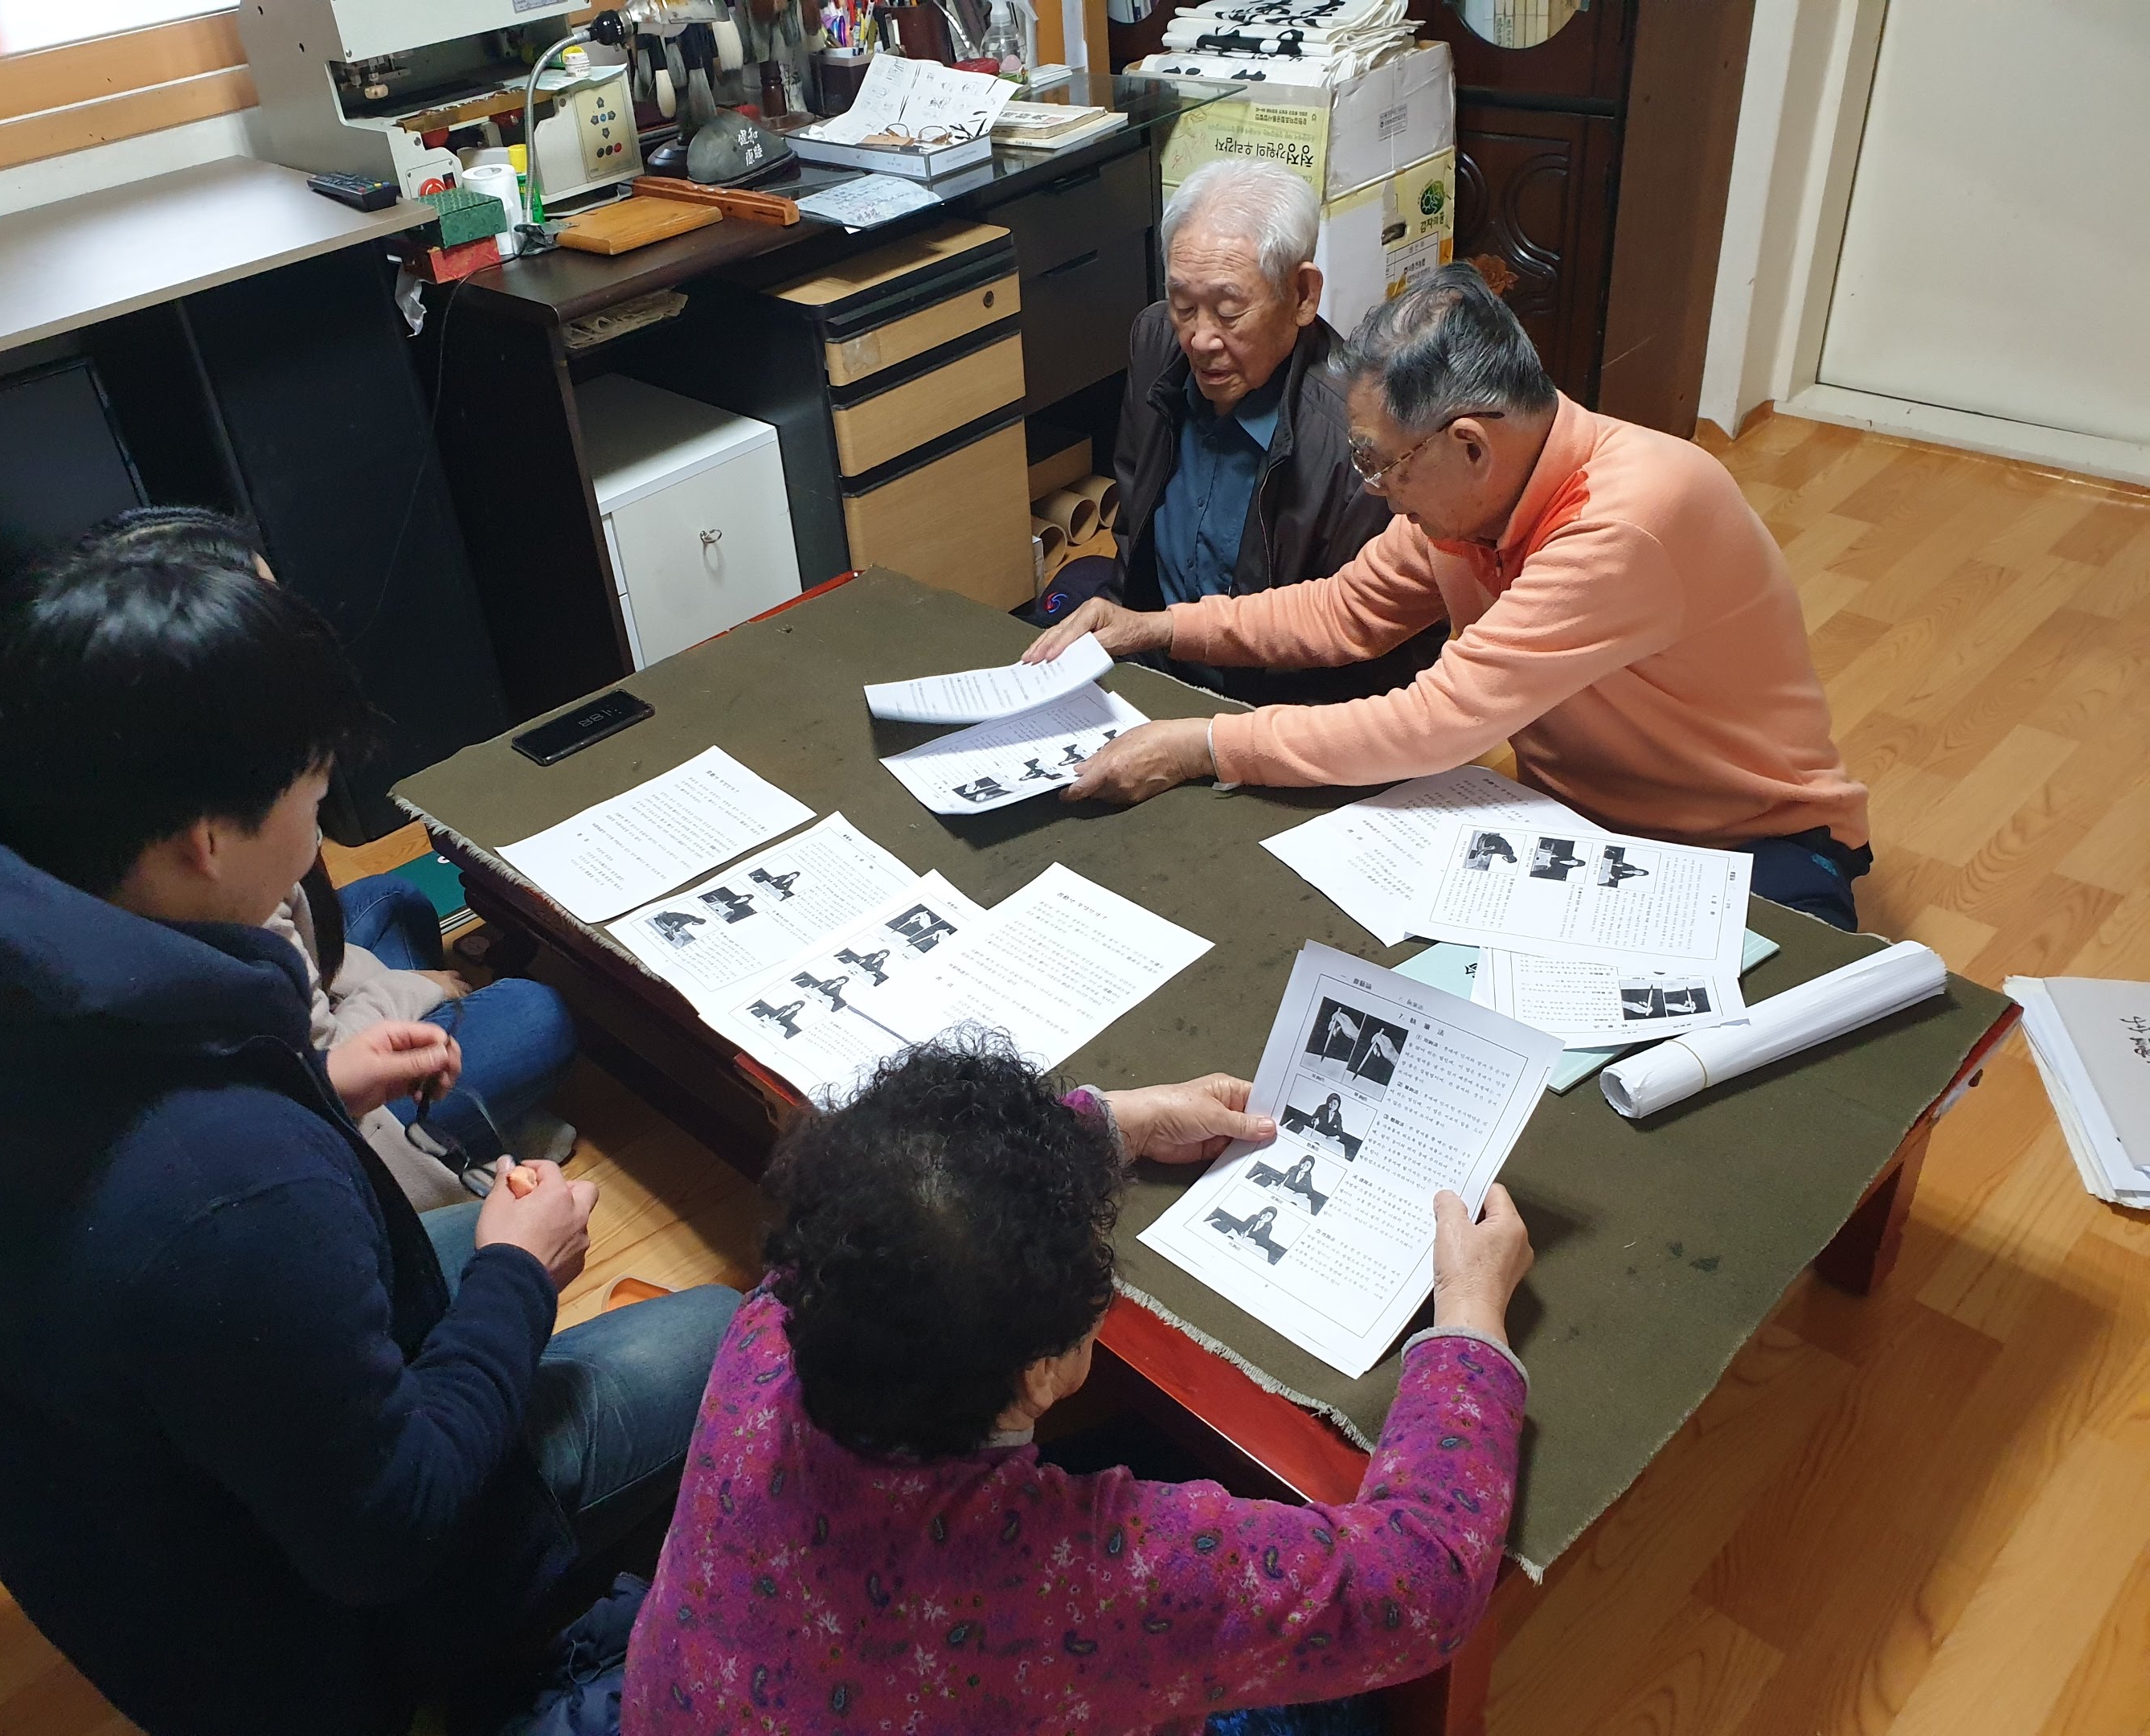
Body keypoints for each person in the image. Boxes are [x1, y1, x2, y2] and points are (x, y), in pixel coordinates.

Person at [0, 542, 739, 1735]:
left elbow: (146, 1245)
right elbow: (393, 1528)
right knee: (724, 1330)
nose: (318, 839)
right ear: (206, 843)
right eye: (313, 802)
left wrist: (320, 1088)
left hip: (119, 1526)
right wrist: (520, 1274)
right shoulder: (230, 1191)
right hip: (305, 1644)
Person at [621, 1042, 1534, 1730]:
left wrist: (1112, 1124)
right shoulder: (1089, 1576)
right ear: (1042, 1373)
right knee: (1349, 1712)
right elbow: (1421, 1589)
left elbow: (900, 1191)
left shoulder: (777, 1323)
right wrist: (1467, 1318)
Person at [1030, 263, 1874, 930]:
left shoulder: (1624, 521)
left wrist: (1203, 744)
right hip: (1570, 823)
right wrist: (1157, 627)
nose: (1376, 490)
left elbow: (1436, 722)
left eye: (1378, 463)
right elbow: (1345, 612)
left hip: (1742, 841)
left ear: (1469, 445)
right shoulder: (1475, 499)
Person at [75, 507, 579, 1207]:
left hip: (309, 1029)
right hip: (338, 1107)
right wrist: (416, 992)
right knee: (535, 1014)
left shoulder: (146, 796)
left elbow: (312, 961)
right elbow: (326, 1074)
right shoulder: (225, 913)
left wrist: (390, 989)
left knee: (394, 902)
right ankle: (474, 1132)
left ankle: (471, 1106)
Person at [1103, 161, 1441, 706]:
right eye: (1184, 305)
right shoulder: (1155, 342)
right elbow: (1132, 527)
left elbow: (1373, 654)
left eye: (1229, 311)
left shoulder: (1361, 435)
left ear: (1303, 295)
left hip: (1275, 712)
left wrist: (1225, 736)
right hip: (1152, 671)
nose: (1200, 339)